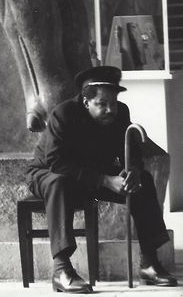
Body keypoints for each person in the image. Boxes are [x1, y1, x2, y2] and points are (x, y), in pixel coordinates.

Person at [27, 65, 178, 293]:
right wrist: (107, 181)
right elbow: (57, 162)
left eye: (114, 103)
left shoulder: (120, 114)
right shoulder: (63, 114)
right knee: (59, 182)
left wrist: (132, 171)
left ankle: (149, 262)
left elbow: (132, 152)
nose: (110, 110)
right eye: (102, 104)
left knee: (144, 181)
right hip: (48, 173)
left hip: (94, 175)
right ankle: (61, 269)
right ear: (86, 101)